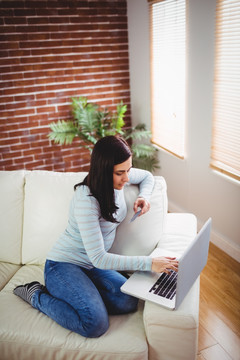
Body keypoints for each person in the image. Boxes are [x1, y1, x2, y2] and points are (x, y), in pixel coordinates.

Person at [14, 135, 178, 338]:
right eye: (120, 173)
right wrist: (150, 263)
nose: (127, 178)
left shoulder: (119, 178)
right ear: (103, 170)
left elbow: (147, 177)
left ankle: (80, 294)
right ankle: (36, 295)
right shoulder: (87, 200)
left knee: (128, 301)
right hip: (63, 265)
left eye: (128, 170)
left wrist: (143, 196)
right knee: (95, 324)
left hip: (91, 266)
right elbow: (99, 257)